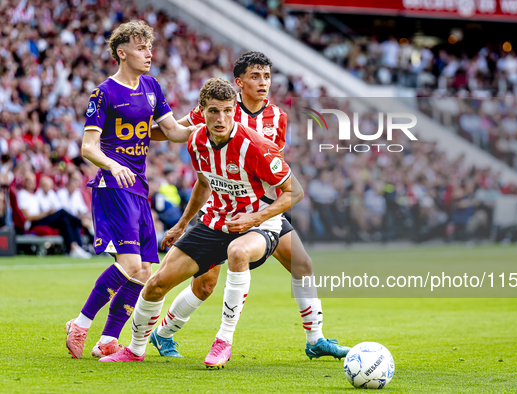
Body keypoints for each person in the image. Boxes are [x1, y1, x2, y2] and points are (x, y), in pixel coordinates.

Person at [149, 51, 350, 360]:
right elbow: (175, 131)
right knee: (204, 286)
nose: (263, 83)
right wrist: (134, 133)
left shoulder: (277, 117)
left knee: (302, 264)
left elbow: (274, 166)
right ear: (239, 82)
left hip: (263, 209)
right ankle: (163, 334)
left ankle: (315, 339)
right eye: (255, 76)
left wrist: (266, 210)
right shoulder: (221, 110)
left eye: (267, 76)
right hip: (222, 212)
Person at [99, 77, 301, 367]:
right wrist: (181, 224)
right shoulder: (196, 140)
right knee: (156, 284)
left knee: (238, 252)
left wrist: (254, 218)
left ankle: (224, 341)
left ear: (235, 110)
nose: (222, 119)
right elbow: (204, 183)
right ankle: (134, 349)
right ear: (201, 111)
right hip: (214, 221)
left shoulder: (256, 146)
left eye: (228, 111)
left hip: (258, 225)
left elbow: (295, 191)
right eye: (214, 111)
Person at [65, 20, 196, 359]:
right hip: (113, 184)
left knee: (144, 270)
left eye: (150, 47)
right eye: (141, 48)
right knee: (129, 262)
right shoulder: (104, 92)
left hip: (137, 186)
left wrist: (204, 119)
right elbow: (88, 147)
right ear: (122, 53)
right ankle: (80, 324)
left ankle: (108, 340)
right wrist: (113, 164)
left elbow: (173, 132)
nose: (149, 53)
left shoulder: (152, 86)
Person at [17, 172, 90, 258]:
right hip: (33, 222)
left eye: (33, 181)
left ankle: (75, 247)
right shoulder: (22, 194)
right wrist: (47, 212)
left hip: (41, 218)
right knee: (62, 212)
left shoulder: (35, 196)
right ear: (24, 182)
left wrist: (47, 212)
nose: (32, 183)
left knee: (65, 220)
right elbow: (28, 217)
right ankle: (82, 222)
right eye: (29, 181)